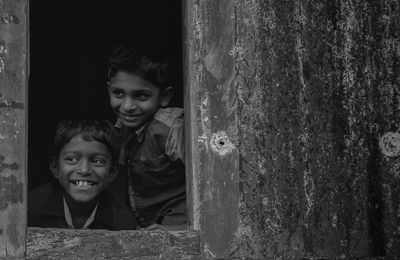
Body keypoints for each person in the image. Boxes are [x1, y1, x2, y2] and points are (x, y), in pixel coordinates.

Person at [106, 46, 186, 230]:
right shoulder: (121, 127)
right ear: (108, 89)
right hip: (146, 224)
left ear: (165, 97)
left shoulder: (171, 127)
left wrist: (178, 230)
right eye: (118, 93)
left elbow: (208, 182)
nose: (127, 106)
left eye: (140, 96)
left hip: (180, 223)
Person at [28, 116, 137, 230]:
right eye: (72, 159)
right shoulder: (28, 210)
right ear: (55, 167)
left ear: (112, 171)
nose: (84, 170)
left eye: (98, 161)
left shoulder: (122, 220)